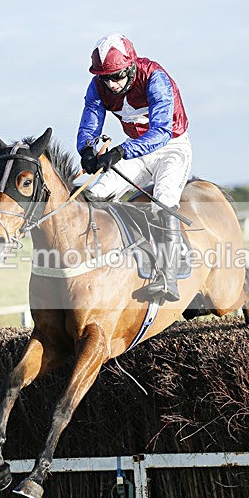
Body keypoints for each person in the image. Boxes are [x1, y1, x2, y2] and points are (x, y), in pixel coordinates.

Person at [76, 33, 192, 302]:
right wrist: (86, 150)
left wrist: (120, 151)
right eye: (105, 78)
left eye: (116, 76)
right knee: (96, 194)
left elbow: (162, 131)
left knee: (162, 199)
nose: (111, 84)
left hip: (172, 147)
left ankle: (169, 275)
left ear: (130, 67)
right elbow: (89, 124)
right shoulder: (99, 85)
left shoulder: (155, 78)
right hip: (136, 148)